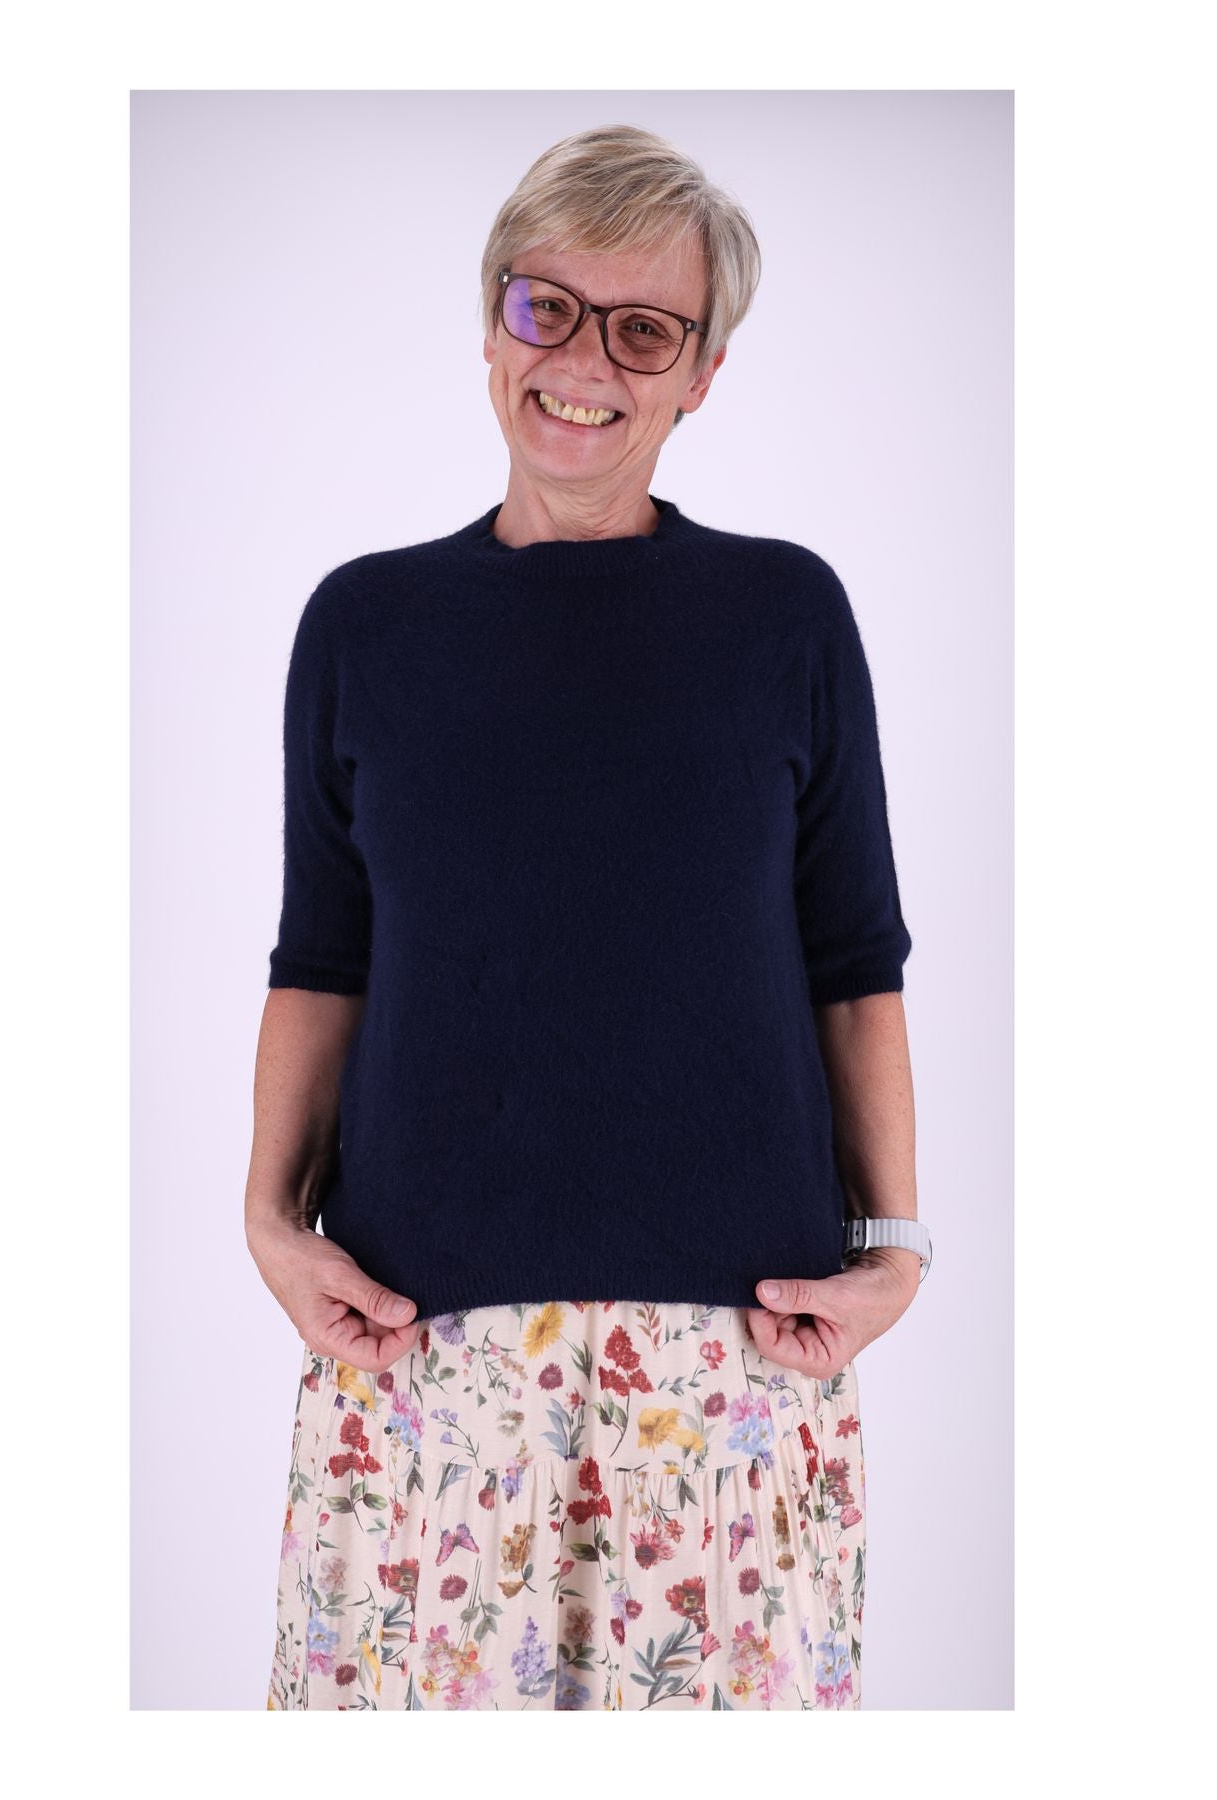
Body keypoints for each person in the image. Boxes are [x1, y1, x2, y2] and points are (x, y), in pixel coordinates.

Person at [246, 123, 929, 1713]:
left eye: (643, 331)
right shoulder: (363, 624)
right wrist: (270, 1224)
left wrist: (894, 1250)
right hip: (421, 1359)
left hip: (735, 1363)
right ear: (492, 321)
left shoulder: (785, 615)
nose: (582, 364)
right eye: (545, 307)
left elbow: (853, 966)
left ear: (701, 376)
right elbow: (322, 957)